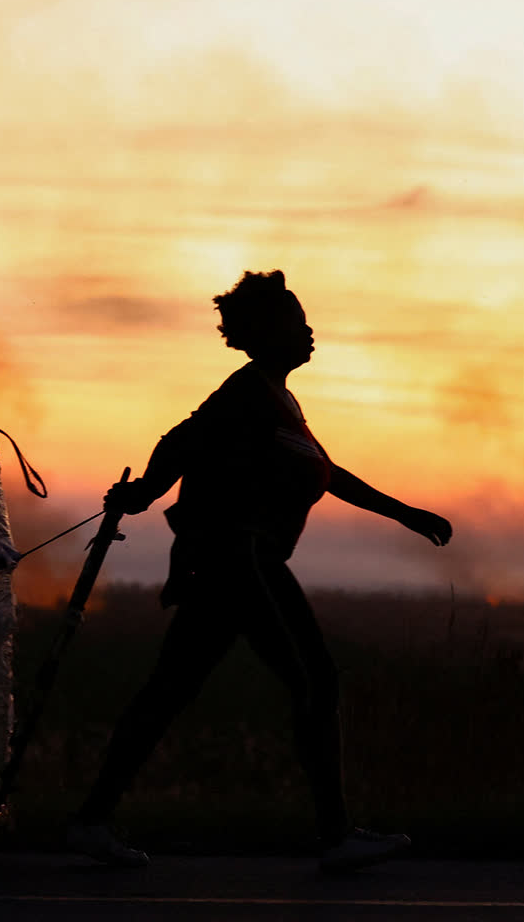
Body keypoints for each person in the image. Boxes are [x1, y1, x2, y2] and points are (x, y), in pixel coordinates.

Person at [67, 270, 452, 871]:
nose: (309, 331)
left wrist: (403, 513)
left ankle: (90, 822)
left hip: (239, 561)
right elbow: (181, 439)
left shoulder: (278, 399)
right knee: (314, 680)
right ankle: (335, 835)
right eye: (297, 322)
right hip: (236, 558)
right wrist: (143, 492)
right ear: (267, 333)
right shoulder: (245, 394)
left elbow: (325, 469)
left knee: (172, 690)